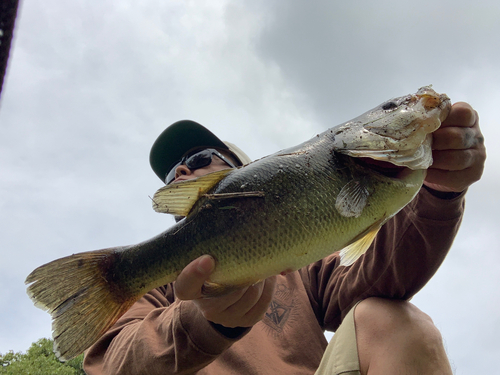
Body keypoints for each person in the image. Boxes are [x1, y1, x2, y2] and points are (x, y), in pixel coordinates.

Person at [84, 102, 486, 375]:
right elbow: (111, 363)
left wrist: (441, 193)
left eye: (199, 159)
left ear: (244, 168)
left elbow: (381, 281)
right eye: (174, 175)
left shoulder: (303, 266)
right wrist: (203, 319)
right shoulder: (149, 282)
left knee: (395, 322)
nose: (183, 173)